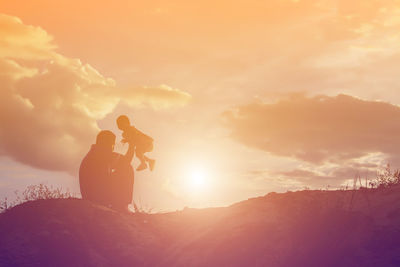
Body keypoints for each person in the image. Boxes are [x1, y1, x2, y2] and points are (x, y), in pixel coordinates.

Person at [79, 130, 135, 212]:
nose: (113, 148)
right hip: (96, 197)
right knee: (127, 170)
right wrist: (132, 145)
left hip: (96, 194)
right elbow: (126, 162)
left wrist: (131, 146)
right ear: (105, 143)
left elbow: (124, 161)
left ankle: (120, 205)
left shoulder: (96, 152)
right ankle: (122, 206)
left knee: (125, 168)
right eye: (112, 144)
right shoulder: (99, 154)